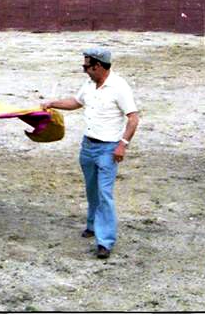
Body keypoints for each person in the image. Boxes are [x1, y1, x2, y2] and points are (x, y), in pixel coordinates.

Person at [40, 48, 139, 260]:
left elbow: (133, 118)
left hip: (108, 149)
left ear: (99, 66)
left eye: (87, 66)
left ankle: (105, 241)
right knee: (92, 189)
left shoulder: (119, 87)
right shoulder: (89, 84)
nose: (84, 70)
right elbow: (77, 102)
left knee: (104, 194)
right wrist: (52, 103)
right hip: (88, 146)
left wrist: (123, 144)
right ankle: (93, 225)